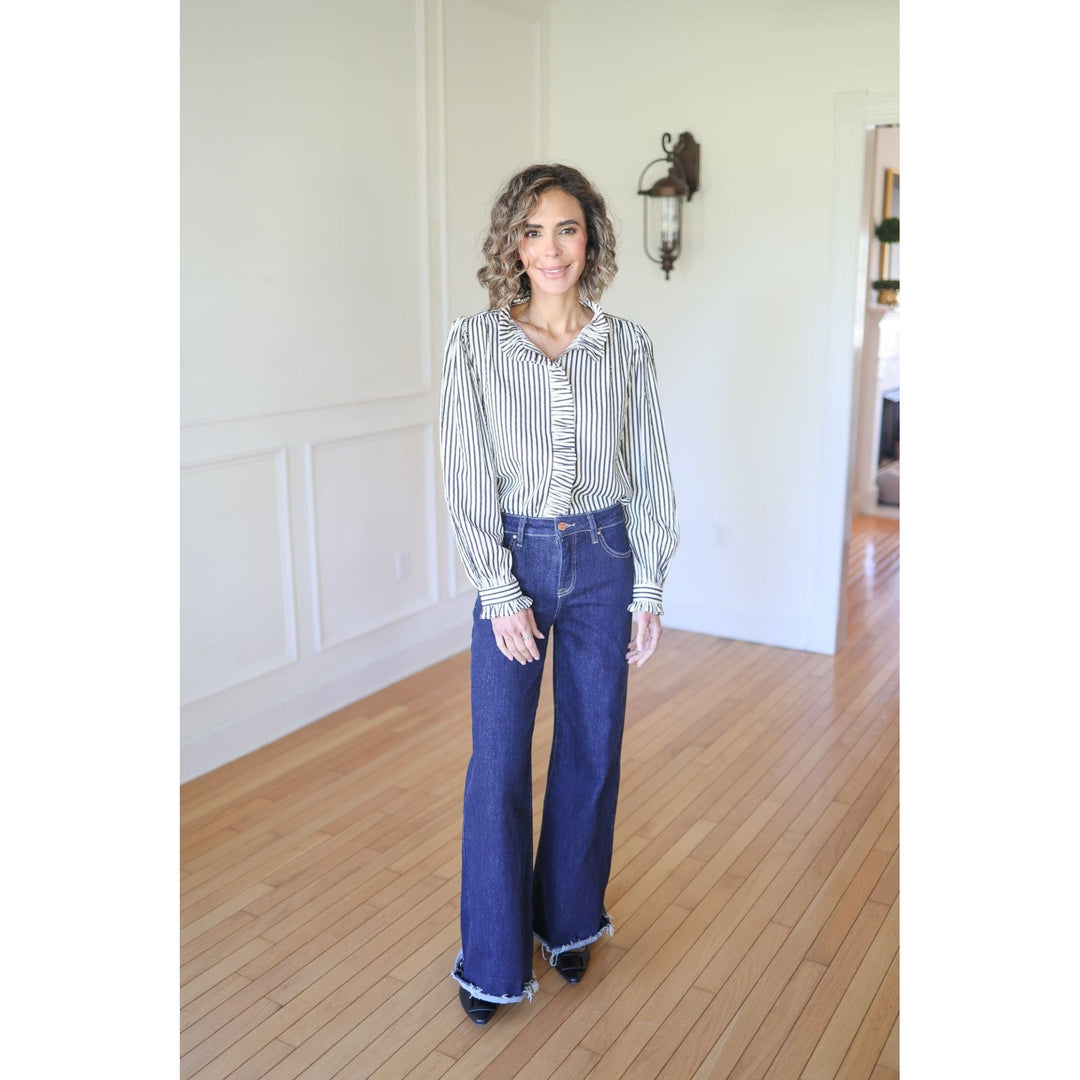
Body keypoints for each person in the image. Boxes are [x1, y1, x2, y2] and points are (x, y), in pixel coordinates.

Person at [438, 163, 679, 1025]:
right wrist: (498, 591)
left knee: (591, 749)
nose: (551, 248)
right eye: (534, 230)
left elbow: (649, 469)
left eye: (567, 229)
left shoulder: (629, 345)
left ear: (592, 240)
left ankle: (569, 919)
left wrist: (648, 583)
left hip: (606, 557)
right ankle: (493, 958)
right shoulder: (472, 342)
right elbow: (466, 478)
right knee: (498, 762)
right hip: (518, 559)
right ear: (513, 240)